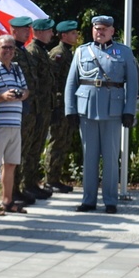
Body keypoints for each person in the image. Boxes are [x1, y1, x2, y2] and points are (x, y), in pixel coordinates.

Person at [64, 15, 138, 215]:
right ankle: (88, 200)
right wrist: (70, 110)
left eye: (105, 28)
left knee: (112, 159)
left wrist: (129, 110)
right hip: (86, 110)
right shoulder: (81, 51)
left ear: (112, 31)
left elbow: (132, 84)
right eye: (97, 28)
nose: (101, 31)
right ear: (92, 30)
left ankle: (110, 200)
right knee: (89, 158)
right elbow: (71, 82)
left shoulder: (123, 52)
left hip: (113, 112)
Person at [0, 34, 29, 214]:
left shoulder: (17, 69)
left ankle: (7, 201)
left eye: (12, 48)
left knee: (11, 164)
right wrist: (3, 98)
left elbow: (26, 90)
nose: (9, 51)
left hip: (15, 122)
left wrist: (20, 94)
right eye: (5, 47)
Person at [18, 18, 56, 201]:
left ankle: (31, 183)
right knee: (27, 148)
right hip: (32, 108)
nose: (52, 34)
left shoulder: (38, 51)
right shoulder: (32, 51)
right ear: (40, 32)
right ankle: (24, 184)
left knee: (36, 147)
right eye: (49, 31)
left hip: (40, 108)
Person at [43, 20, 80, 194]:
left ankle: (55, 178)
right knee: (57, 141)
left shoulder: (69, 53)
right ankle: (50, 179)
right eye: (73, 33)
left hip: (68, 104)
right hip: (59, 105)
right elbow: (52, 81)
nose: (76, 36)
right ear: (63, 35)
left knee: (64, 142)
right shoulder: (58, 53)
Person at [7, 16, 37, 205]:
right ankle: (12, 191)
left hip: (29, 106)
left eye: (28, 29)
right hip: (17, 109)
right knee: (14, 152)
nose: (28, 32)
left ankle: (18, 188)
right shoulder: (14, 52)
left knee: (23, 150)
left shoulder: (24, 51)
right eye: (24, 29)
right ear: (14, 31)